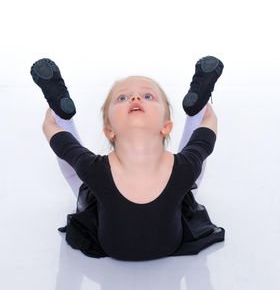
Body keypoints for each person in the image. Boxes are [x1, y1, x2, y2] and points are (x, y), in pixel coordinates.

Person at [30, 56, 225, 261]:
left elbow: (64, 145)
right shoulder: (184, 169)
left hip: (110, 243)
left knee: (79, 179)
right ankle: (197, 107)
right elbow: (203, 140)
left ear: (166, 126)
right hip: (172, 237)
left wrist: (55, 119)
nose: (135, 98)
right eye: (123, 98)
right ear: (109, 130)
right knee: (190, 185)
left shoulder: (95, 170)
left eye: (148, 96)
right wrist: (205, 114)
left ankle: (63, 114)